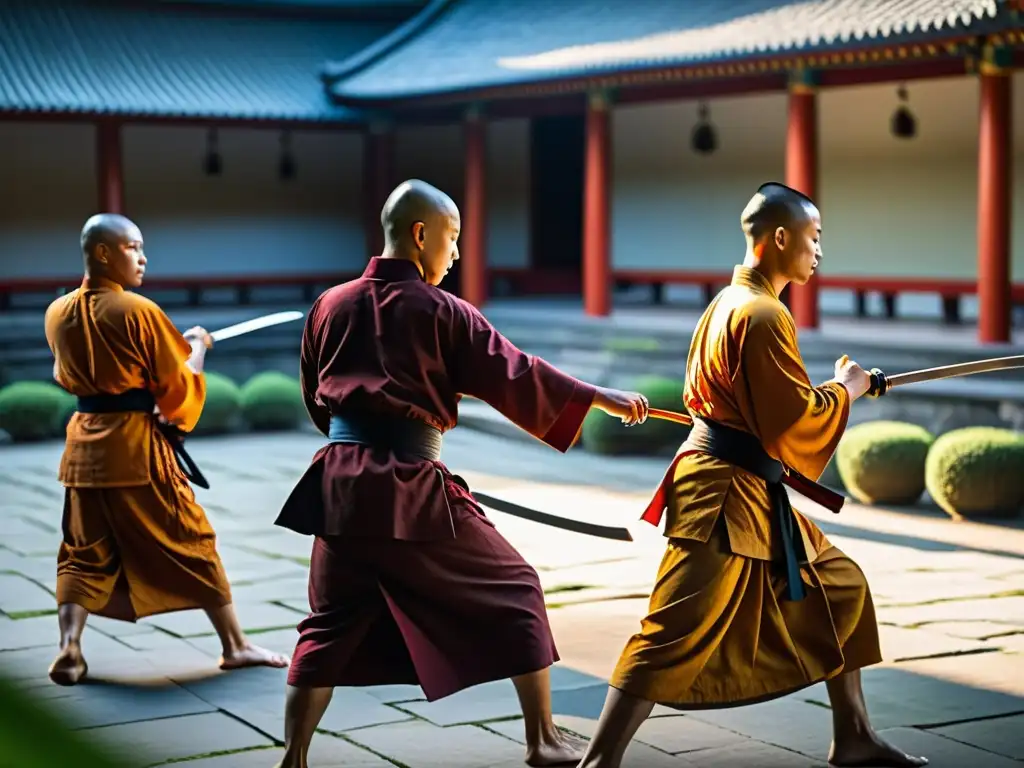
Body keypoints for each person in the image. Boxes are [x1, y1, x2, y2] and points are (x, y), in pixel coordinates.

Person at [273, 179, 650, 768]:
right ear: (420, 235)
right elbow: (516, 373)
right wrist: (600, 396)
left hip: (338, 485)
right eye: (451, 240)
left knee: (330, 620)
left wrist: (361, 443)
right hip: (410, 489)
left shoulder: (330, 304)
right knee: (518, 589)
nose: (454, 255)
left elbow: (316, 400)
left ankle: (292, 758)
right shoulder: (443, 311)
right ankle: (542, 740)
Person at [573, 183, 928, 768]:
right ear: (780, 237)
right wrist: (849, 388)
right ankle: (600, 760)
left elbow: (760, 404)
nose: (819, 251)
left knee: (840, 586)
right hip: (720, 495)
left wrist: (833, 389)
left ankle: (855, 734)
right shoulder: (761, 313)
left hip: (744, 484)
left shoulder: (728, 303)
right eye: (814, 238)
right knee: (672, 629)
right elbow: (793, 420)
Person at [44, 213, 289, 686]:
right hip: (135, 451)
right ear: (102, 253)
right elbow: (176, 386)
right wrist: (196, 347)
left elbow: (74, 376)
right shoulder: (137, 310)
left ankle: (69, 648)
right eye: (133, 247)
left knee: (81, 552)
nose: (143, 257)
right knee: (192, 541)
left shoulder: (58, 312)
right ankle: (235, 646)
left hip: (83, 452)